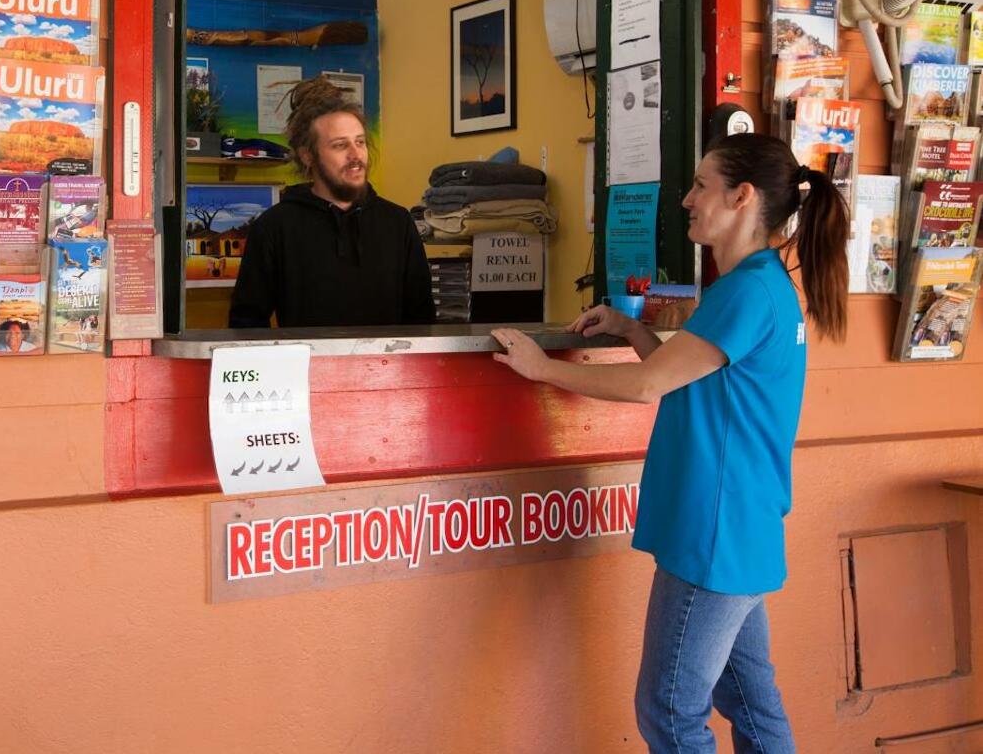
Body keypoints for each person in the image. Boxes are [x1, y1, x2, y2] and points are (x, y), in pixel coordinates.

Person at [490, 133, 849, 754]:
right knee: (749, 702)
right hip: (741, 527)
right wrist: (632, 327)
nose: (686, 199)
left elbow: (648, 387)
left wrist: (541, 368)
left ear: (741, 198)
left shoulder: (747, 292)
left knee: (671, 713)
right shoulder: (760, 287)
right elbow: (689, 379)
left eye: (701, 186)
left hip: (713, 532)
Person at [229, 75, 435, 328]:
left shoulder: (398, 222)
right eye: (340, 145)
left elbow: (423, 320)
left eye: (359, 142)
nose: (355, 155)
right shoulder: (275, 227)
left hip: (387, 367)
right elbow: (246, 324)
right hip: (307, 367)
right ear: (308, 156)